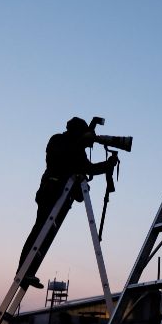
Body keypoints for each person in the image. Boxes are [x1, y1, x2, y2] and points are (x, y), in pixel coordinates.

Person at [18, 117, 118, 289]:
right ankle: (23, 271)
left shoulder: (77, 149)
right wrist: (81, 142)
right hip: (50, 192)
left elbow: (87, 168)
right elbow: (61, 158)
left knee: (46, 236)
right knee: (40, 231)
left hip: (62, 197)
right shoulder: (58, 140)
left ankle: (29, 272)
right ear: (77, 132)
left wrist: (106, 165)